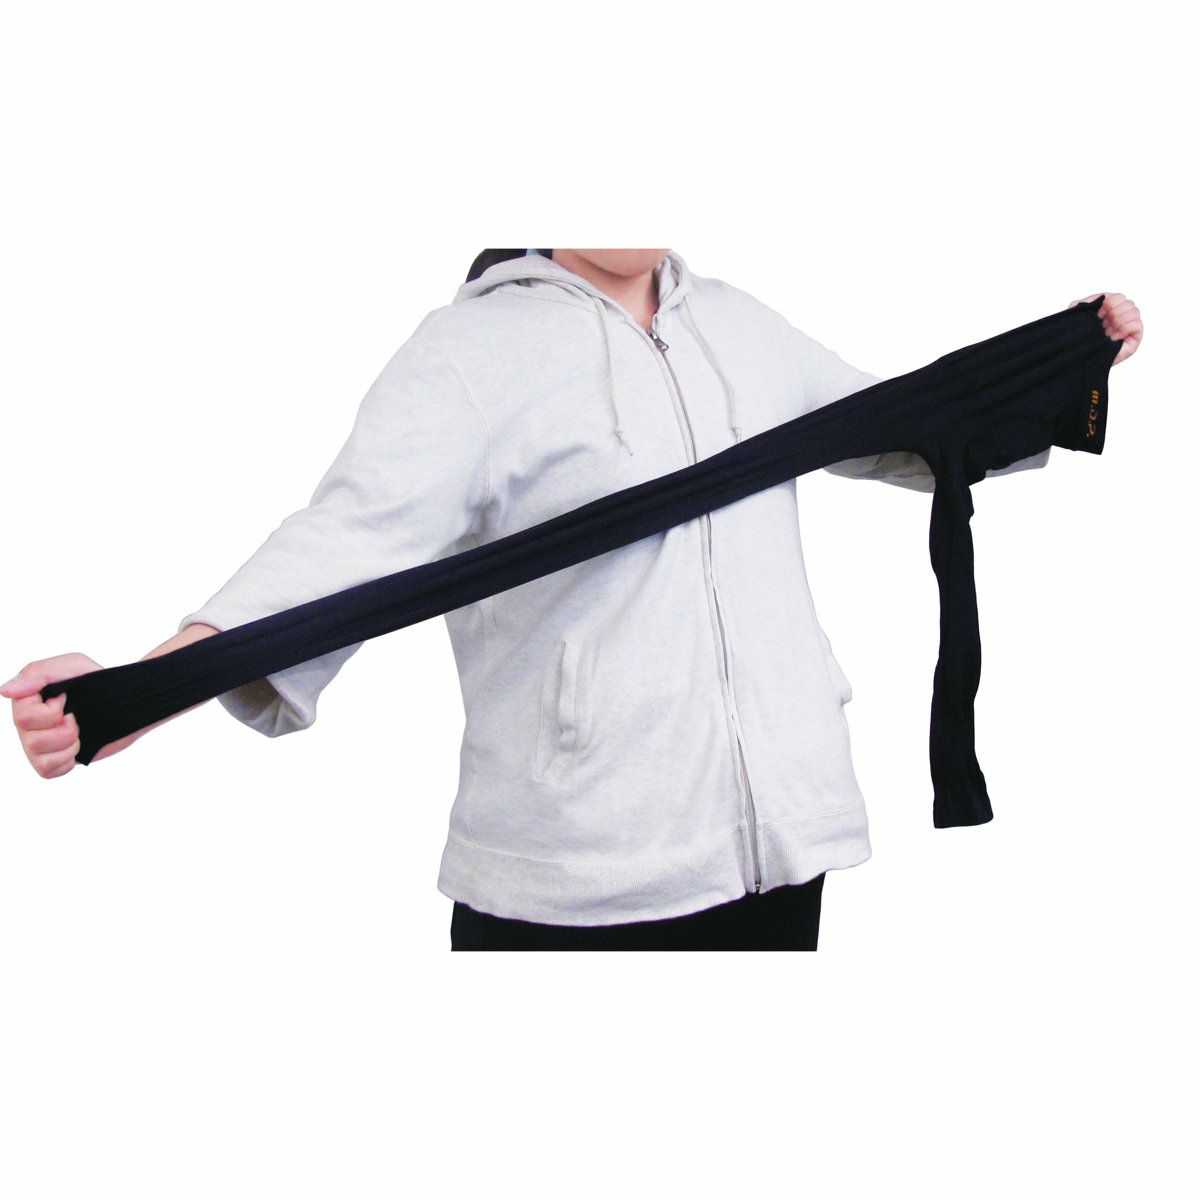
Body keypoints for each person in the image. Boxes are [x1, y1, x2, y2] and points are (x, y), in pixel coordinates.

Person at [2, 250, 1144, 951]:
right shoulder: (471, 351)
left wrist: (1066, 366)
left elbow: (909, 426)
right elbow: (349, 536)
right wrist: (151, 684)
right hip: (575, 879)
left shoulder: (741, 324)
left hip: (780, 848)